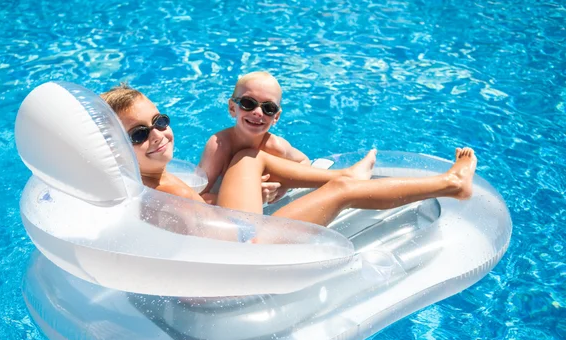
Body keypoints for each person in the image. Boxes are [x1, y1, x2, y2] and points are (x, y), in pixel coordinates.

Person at [100, 84, 477, 228]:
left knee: (249, 157)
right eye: (138, 134)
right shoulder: (151, 195)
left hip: (230, 228)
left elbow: (197, 209)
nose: (158, 135)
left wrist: (246, 197)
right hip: (243, 255)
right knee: (342, 192)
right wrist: (241, 208)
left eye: (159, 120)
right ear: (117, 152)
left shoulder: (154, 177)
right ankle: (451, 184)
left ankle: (341, 175)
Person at [198, 71, 310, 204]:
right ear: (232, 108)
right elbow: (198, 197)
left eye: (269, 107)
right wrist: (252, 197)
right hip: (220, 196)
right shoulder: (219, 146)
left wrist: (285, 185)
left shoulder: (276, 147)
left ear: (276, 117)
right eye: (248, 103)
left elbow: (304, 162)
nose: (257, 113)